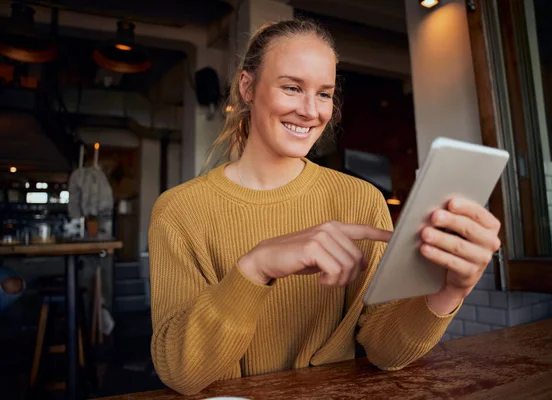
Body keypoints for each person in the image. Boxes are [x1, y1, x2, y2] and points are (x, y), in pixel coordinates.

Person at [148, 19, 502, 395]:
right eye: (291, 88)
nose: (310, 111)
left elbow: (384, 350)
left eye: (323, 94)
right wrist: (255, 267)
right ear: (247, 87)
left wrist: (448, 291)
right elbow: (180, 371)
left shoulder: (361, 200)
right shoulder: (178, 211)